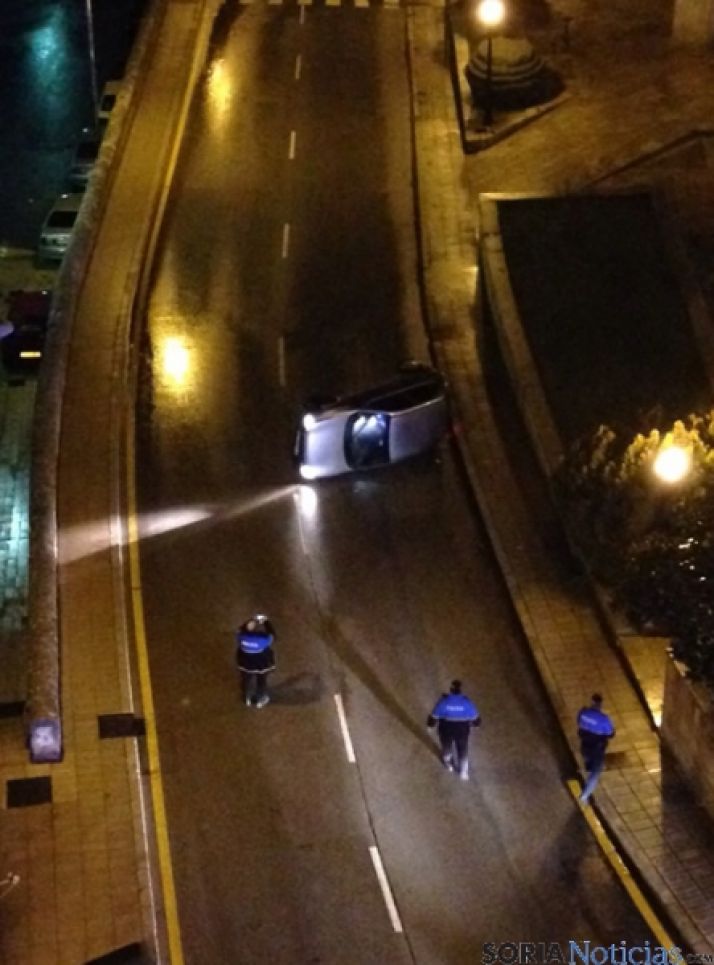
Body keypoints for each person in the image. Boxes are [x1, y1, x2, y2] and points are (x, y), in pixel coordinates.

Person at [427, 680, 481, 781]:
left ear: (451, 690)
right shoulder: (466, 702)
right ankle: (463, 772)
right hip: (462, 732)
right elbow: (476, 719)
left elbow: (434, 716)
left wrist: (430, 726)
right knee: (463, 750)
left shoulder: (444, 702)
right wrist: (476, 725)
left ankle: (449, 764)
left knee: (447, 747)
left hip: (446, 730)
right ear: (460, 691)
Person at [577, 693, 616, 803]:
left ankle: (588, 768)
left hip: (584, 745)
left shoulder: (583, 712)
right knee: (595, 773)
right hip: (597, 749)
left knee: (588, 761)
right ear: (600, 704)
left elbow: (579, 722)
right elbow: (611, 734)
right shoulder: (604, 719)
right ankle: (584, 796)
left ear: (591, 702)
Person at [236, 614, 276, 708]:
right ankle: (260, 699)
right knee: (261, 681)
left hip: (245, 665)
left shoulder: (241, 637)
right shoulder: (263, 639)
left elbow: (240, 630)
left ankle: (247, 698)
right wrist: (266, 621)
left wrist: (251, 621)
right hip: (261, 665)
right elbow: (272, 634)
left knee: (246, 680)